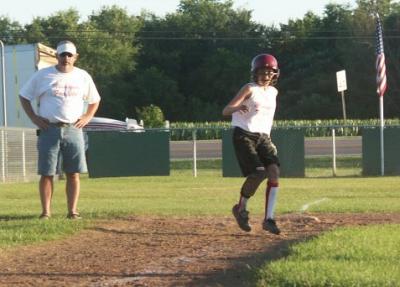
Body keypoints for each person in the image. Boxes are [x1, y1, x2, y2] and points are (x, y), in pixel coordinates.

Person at [19, 40, 101, 220]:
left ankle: (73, 211)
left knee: (73, 172)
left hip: (73, 129)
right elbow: (24, 96)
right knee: (47, 173)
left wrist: (87, 117)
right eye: (63, 54)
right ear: (56, 56)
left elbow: (95, 99)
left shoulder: (83, 76)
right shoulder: (42, 75)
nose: (66, 58)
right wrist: (34, 117)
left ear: (75, 57)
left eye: (69, 55)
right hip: (49, 128)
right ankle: (46, 212)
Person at [222, 53, 281, 235]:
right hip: (244, 134)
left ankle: (269, 219)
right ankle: (241, 208)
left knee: (274, 172)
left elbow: (266, 118)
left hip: (263, 137)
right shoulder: (250, 88)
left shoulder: (273, 92)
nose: (266, 75)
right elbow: (226, 110)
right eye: (262, 71)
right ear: (255, 72)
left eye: (270, 72)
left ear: (275, 74)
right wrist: (239, 107)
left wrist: (269, 140)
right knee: (259, 173)